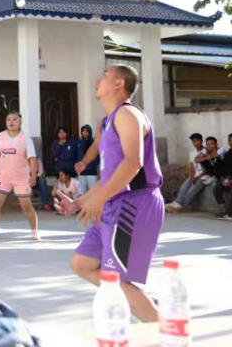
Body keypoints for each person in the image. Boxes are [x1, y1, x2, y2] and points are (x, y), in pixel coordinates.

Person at [68, 65, 164, 324]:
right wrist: (80, 202)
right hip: (113, 203)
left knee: (117, 279)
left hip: (134, 204)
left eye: (104, 74)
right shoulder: (108, 121)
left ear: (119, 84)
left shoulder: (128, 114)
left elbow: (134, 162)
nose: (97, 79)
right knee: (82, 264)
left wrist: (98, 200)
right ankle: (138, 301)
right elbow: (110, 178)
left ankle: (157, 324)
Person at [0, 111, 39, 241]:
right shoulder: (0, 137)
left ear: (20, 122)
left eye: (14, 119)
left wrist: (33, 176)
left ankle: (34, 231)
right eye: (9, 120)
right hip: (3, 177)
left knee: (26, 205)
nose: (11, 122)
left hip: (22, 178)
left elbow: (32, 159)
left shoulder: (26, 139)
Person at [165, 133, 210, 213]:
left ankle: (181, 207)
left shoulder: (206, 152)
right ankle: (177, 204)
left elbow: (208, 169)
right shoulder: (192, 153)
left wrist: (197, 177)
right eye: (194, 141)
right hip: (195, 175)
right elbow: (192, 166)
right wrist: (192, 177)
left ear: (201, 141)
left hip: (204, 177)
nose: (196, 143)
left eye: (197, 140)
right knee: (183, 187)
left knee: (190, 192)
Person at [76, 124, 99, 195]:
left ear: (90, 132)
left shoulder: (94, 143)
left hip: (91, 172)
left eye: (86, 131)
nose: (84, 133)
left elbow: (98, 156)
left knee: (93, 193)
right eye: (83, 131)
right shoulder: (79, 143)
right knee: (82, 193)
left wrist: (93, 165)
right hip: (82, 172)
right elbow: (77, 156)